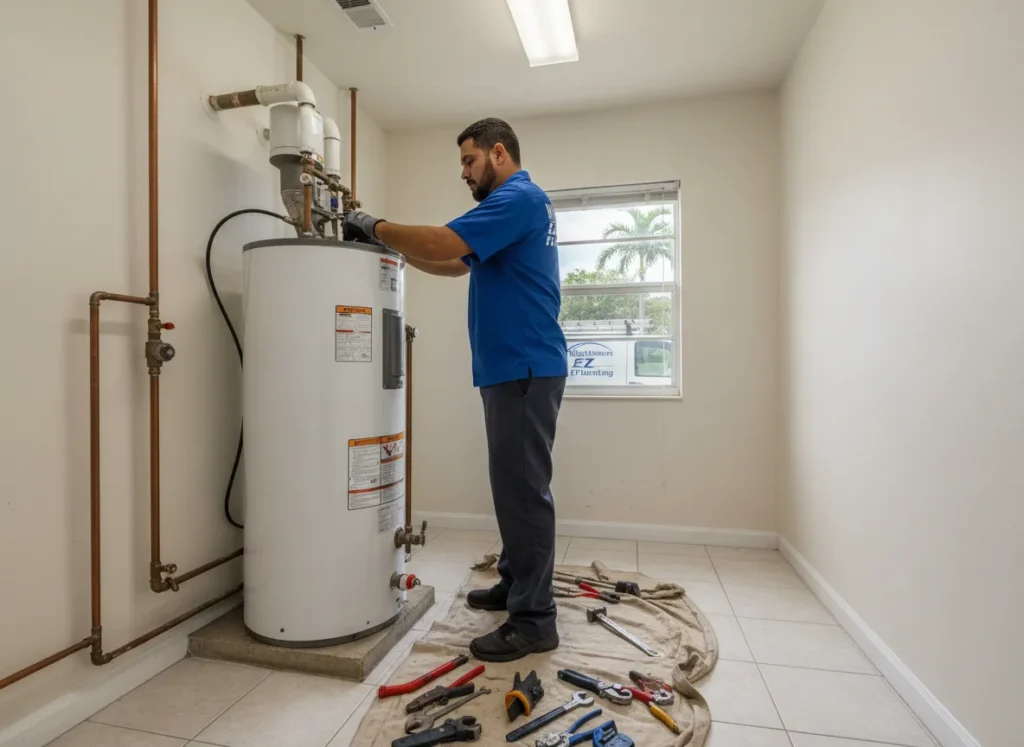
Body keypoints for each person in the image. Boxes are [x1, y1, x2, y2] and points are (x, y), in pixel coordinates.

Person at [342, 117, 568, 662]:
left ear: (497, 153)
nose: (464, 174)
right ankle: (518, 584)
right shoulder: (515, 208)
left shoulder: (518, 197)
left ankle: (535, 620)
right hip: (512, 368)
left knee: (523, 491)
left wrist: (373, 225)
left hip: (524, 367)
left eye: (468, 162)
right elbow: (451, 263)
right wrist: (393, 252)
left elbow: (445, 238)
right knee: (512, 486)